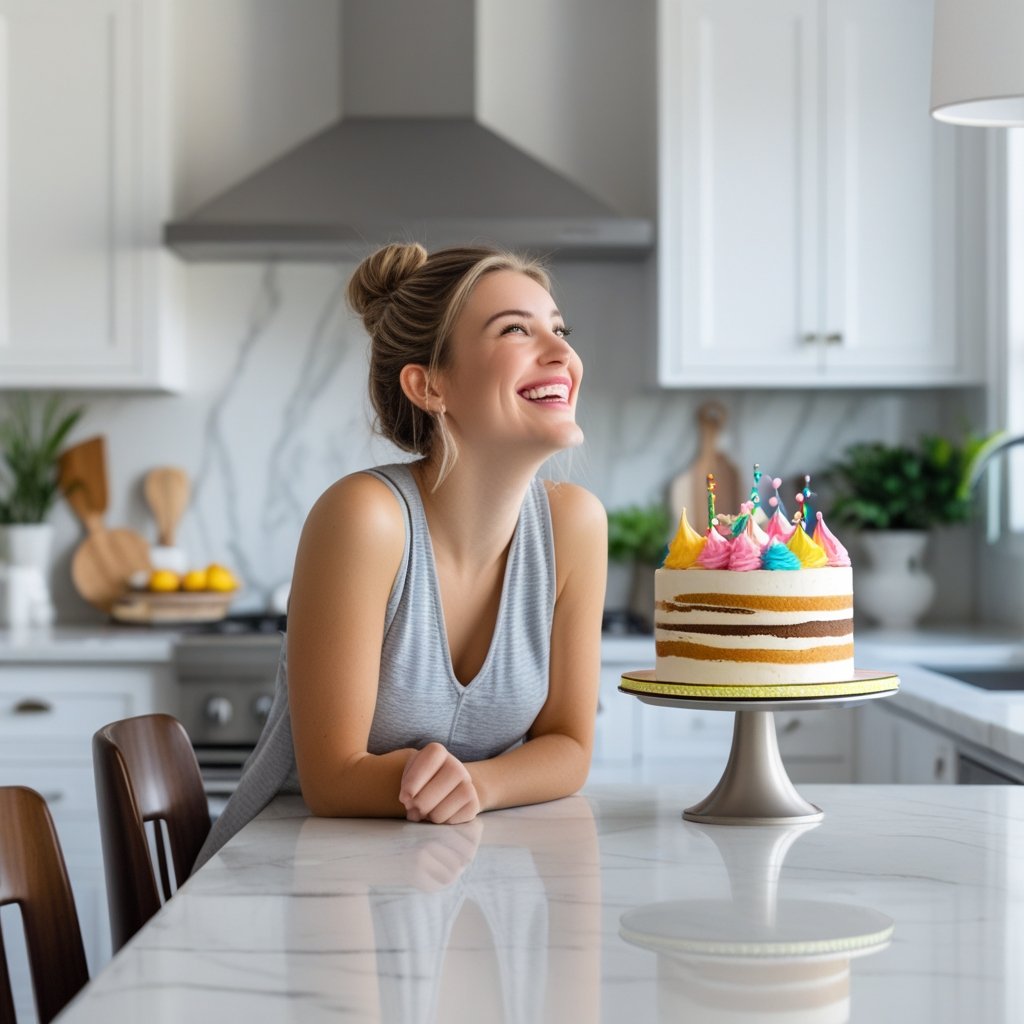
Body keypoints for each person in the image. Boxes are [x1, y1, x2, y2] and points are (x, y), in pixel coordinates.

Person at [193, 243, 607, 868]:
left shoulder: (574, 525)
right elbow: (332, 782)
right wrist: (462, 788)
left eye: (558, 328)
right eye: (516, 330)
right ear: (429, 384)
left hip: (440, 873)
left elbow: (570, 746)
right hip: (281, 881)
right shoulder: (364, 517)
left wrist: (482, 785)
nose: (561, 354)